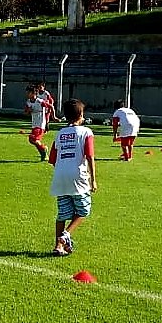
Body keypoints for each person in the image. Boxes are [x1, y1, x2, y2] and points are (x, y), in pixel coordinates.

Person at [48, 98, 96, 256]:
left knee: (62, 213)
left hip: (60, 176)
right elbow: (89, 156)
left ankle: (58, 246)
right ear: (81, 115)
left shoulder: (60, 134)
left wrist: (63, 170)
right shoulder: (86, 132)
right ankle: (65, 236)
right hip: (78, 176)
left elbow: (52, 159)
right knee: (83, 210)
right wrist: (93, 179)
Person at [23, 85, 49, 160]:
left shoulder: (40, 101)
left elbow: (50, 107)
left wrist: (53, 118)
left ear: (34, 93)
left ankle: (44, 148)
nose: (27, 94)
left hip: (41, 124)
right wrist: (29, 111)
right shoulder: (28, 102)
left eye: (29, 92)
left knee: (33, 139)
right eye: (27, 92)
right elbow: (26, 112)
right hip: (34, 124)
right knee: (34, 140)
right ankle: (43, 154)